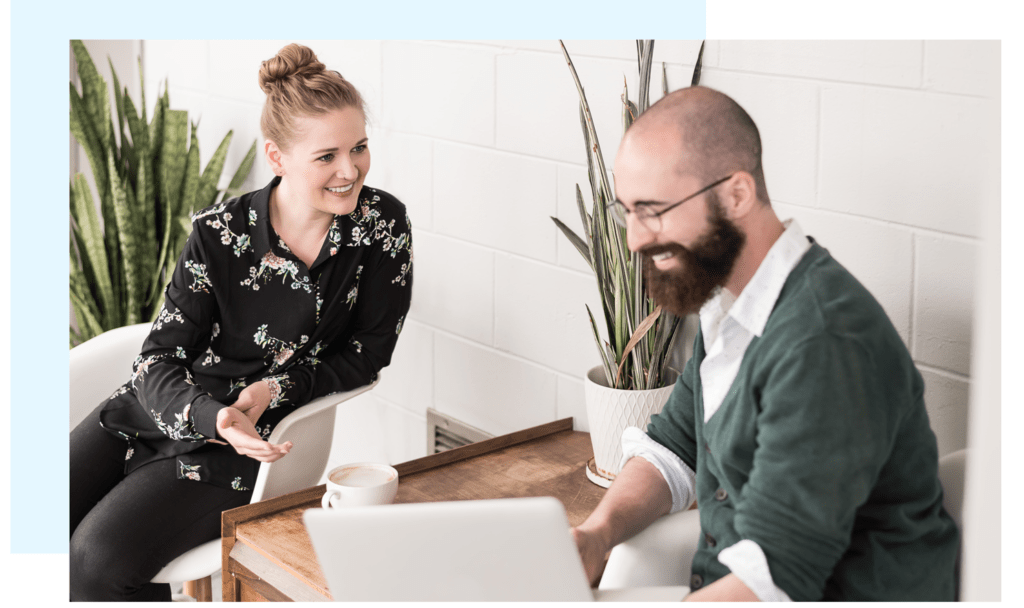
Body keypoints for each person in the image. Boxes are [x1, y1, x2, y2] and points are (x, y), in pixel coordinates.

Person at [570, 86, 959, 601]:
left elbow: (779, 575)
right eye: (628, 213)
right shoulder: (731, 305)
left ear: (736, 194)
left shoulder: (823, 341)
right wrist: (595, 536)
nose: (635, 240)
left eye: (654, 210)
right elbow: (674, 448)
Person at [69, 43, 413, 601]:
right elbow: (157, 359)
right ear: (277, 157)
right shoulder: (218, 233)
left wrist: (279, 387)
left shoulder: (382, 228)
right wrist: (212, 414)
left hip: (252, 444)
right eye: (326, 156)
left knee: (96, 560)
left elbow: (369, 352)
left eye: (360, 147)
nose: (350, 170)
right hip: (155, 411)